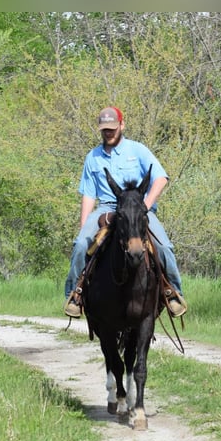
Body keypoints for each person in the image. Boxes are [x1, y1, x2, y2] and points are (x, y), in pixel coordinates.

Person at [63, 106, 187, 319]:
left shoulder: (137, 150)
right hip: (107, 209)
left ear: (122, 125)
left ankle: (172, 293)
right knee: (81, 244)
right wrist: (84, 228)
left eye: (112, 128)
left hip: (137, 208)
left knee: (164, 247)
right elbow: (88, 195)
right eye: (104, 129)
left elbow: (160, 178)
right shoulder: (92, 157)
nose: (108, 133)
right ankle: (75, 294)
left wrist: (144, 206)